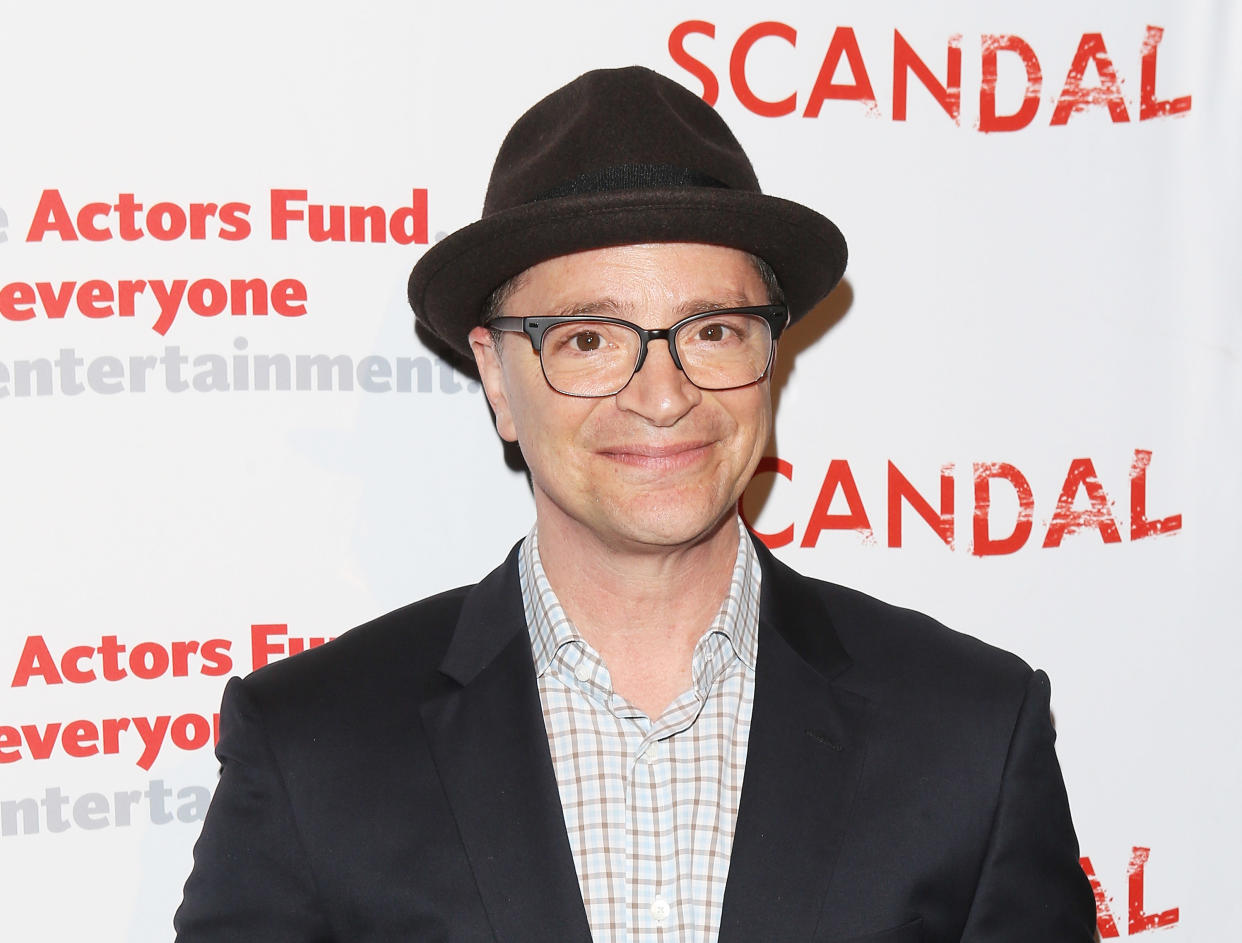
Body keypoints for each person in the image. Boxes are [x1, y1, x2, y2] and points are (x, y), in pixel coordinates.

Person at [175, 66, 1096, 942]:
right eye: (588, 339)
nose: (663, 395)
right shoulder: (310, 747)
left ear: (770, 358)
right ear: (496, 374)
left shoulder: (972, 730)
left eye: (715, 330)